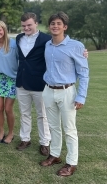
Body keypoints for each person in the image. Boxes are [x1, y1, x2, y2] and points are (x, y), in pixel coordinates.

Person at [40, 12, 89, 177]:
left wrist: (81, 96)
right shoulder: (48, 45)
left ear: (65, 27)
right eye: (52, 23)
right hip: (48, 90)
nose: (55, 26)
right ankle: (54, 155)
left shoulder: (76, 46)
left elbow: (84, 73)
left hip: (67, 92)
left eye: (59, 23)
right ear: (49, 26)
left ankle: (71, 162)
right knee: (53, 126)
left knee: (69, 129)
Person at [15, 12, 52, 156]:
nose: (26, 28)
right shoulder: (19, 38)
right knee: (24, 113)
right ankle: (25, 139)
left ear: (36, 23)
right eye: (24, 25)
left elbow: (62, 47)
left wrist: (83, 52)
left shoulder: (47, 39)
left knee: (42, 115)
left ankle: (45, 142)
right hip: (22, 82)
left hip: (39, 83)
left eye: (29, 25)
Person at [0, 21, 18, 144]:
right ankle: (1, 131)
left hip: (12, 79)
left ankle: (11, 133)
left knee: (8, 109)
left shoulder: (14, 44)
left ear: (4, 30)